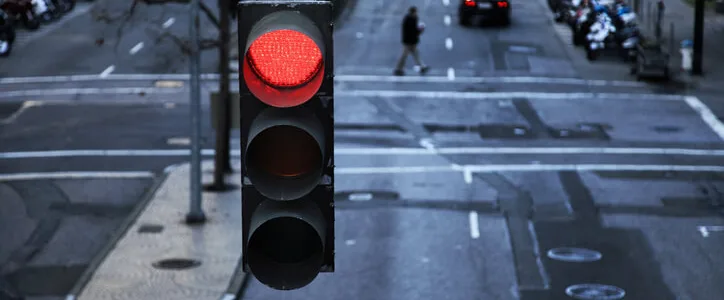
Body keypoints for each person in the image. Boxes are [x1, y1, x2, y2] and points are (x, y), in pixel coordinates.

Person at [394, 6, 429, 76]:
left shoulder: (411, 18)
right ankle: (398, 69)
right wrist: (420, 30)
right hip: (408, 41)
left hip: (411, 41)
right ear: (413, 12)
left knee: (415, 54)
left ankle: (422, 67)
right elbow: (413, 31)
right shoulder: (410, 20)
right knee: (404, 55)